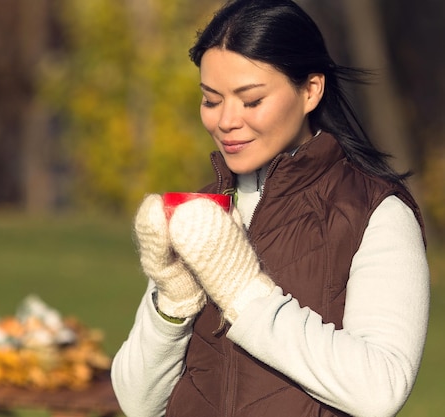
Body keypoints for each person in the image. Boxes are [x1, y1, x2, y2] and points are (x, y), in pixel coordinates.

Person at [110, 1, 430, 416]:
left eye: (251, 100)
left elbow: (380, 391)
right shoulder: (200, 214)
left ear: (311, 89)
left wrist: (245, 294)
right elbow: (137, 403)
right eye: (211, 100)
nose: (225, 120)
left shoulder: (376, 213)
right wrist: (173, 300)